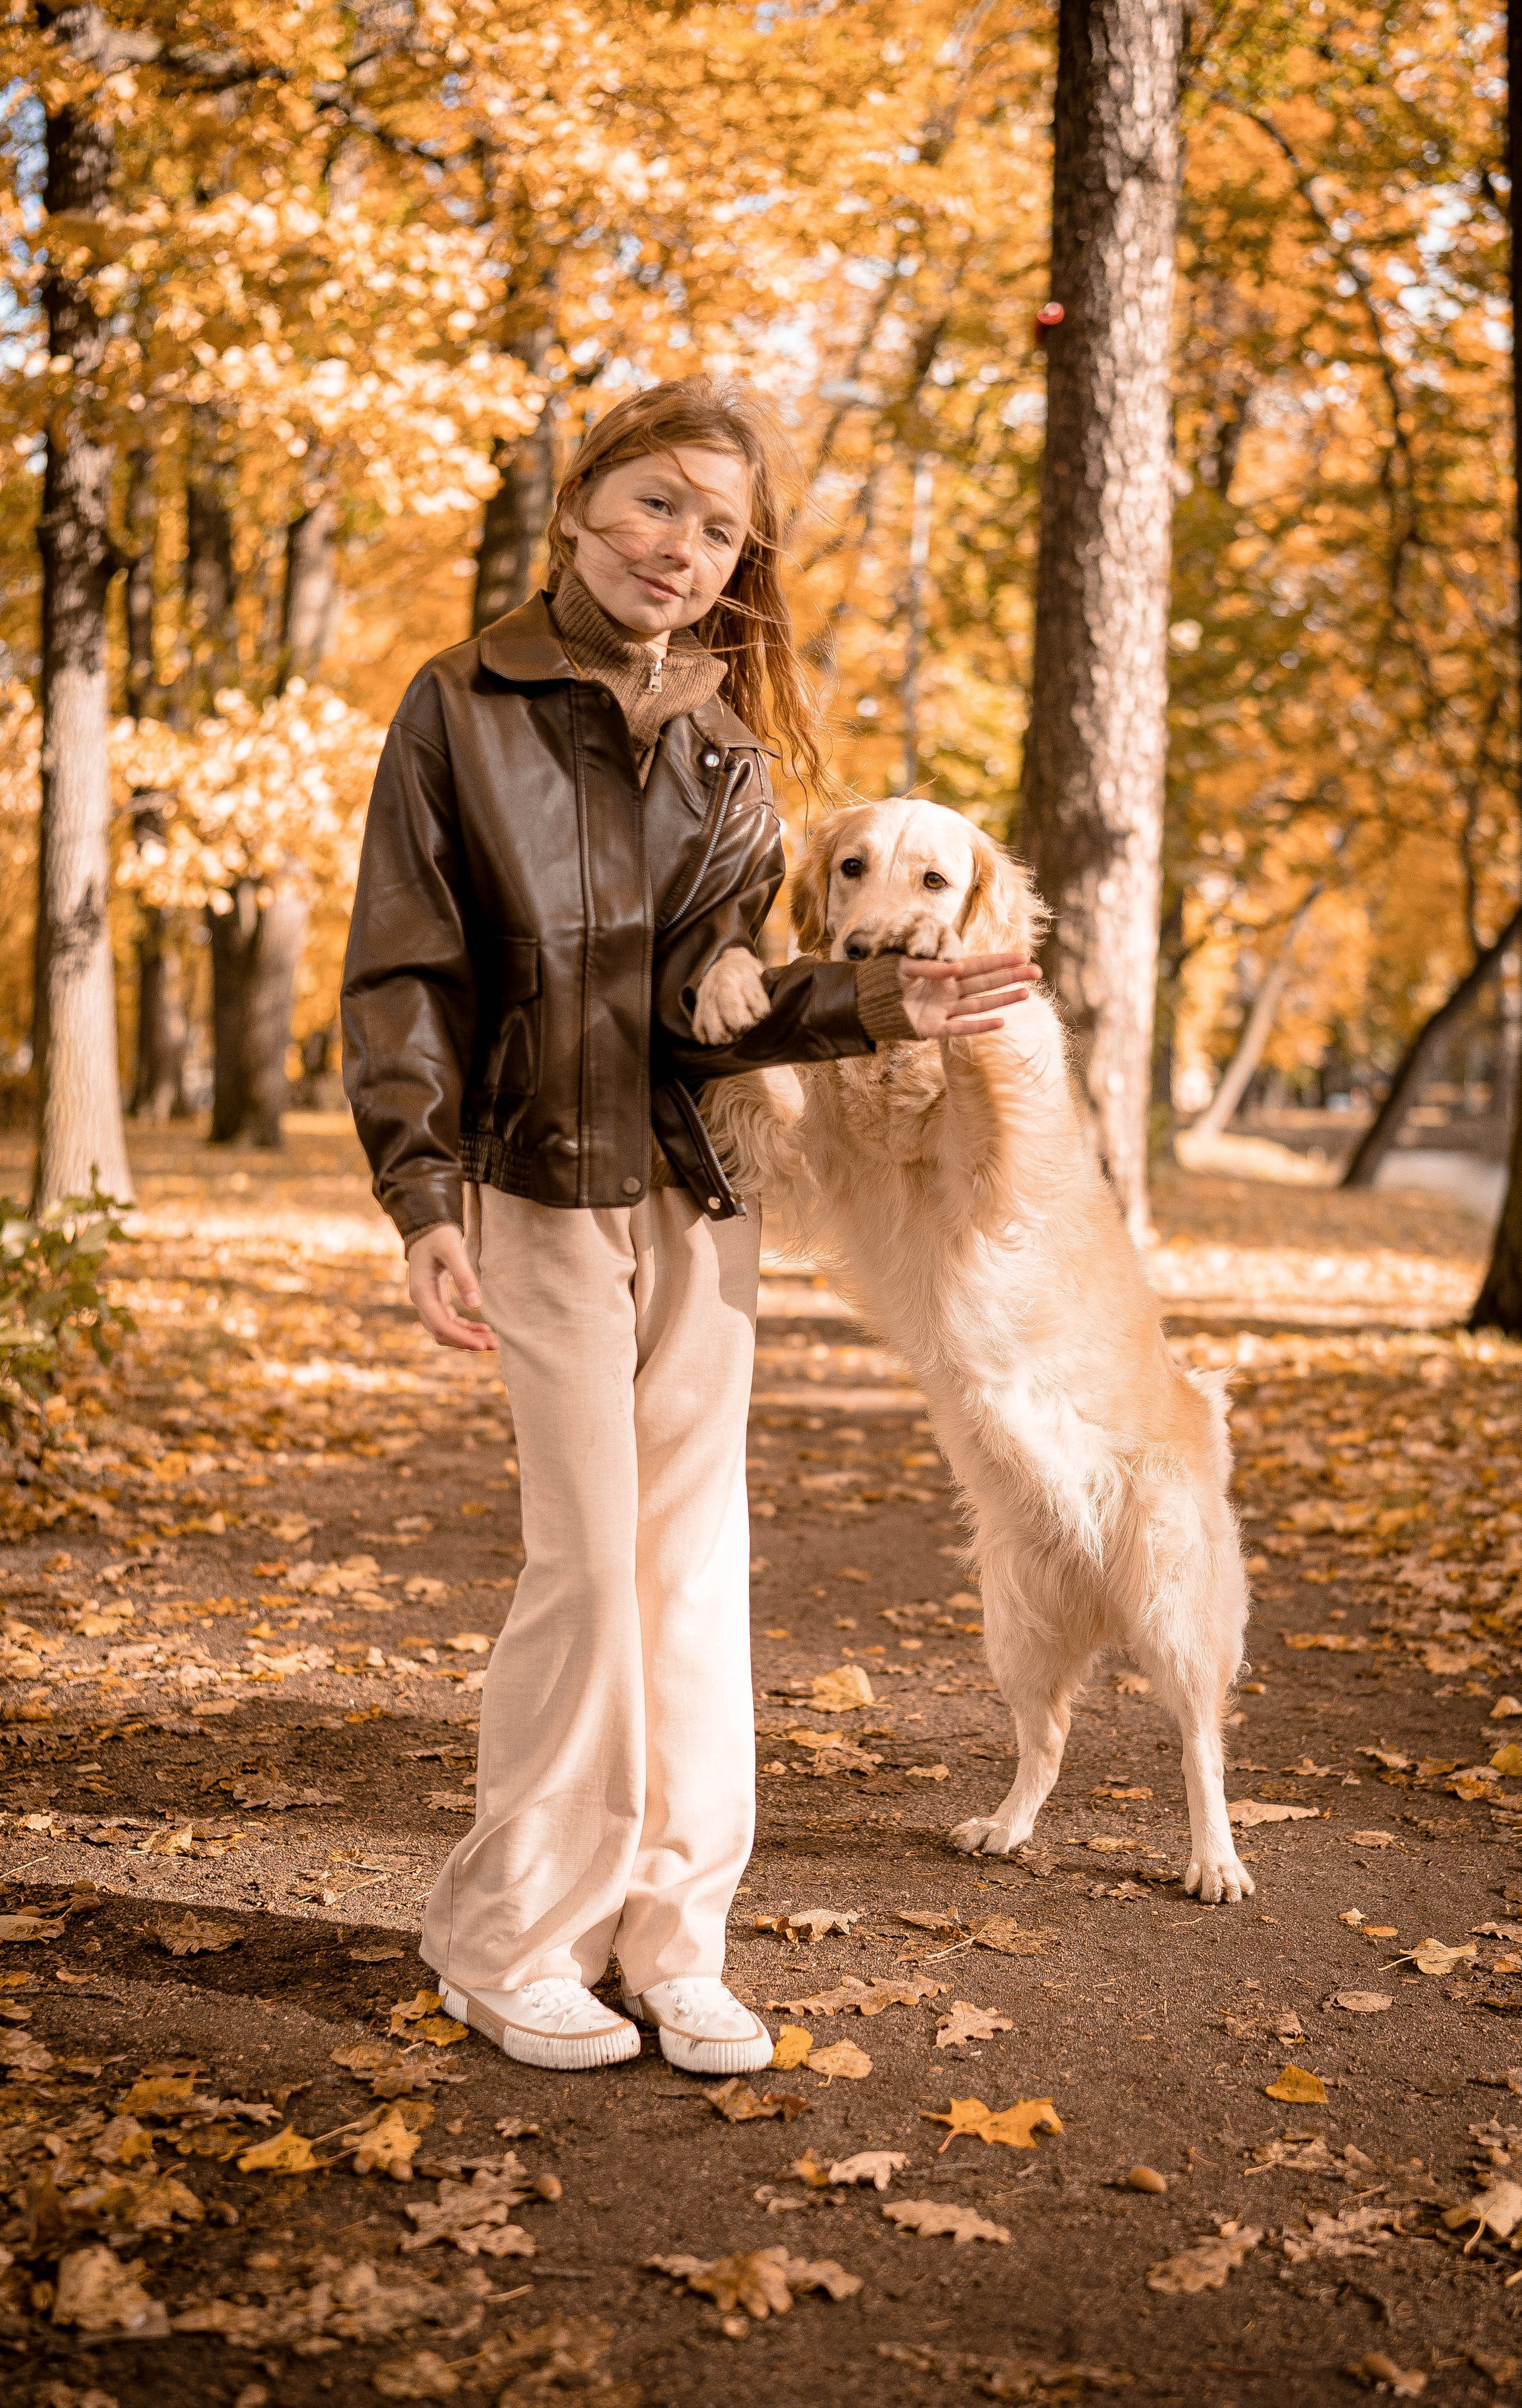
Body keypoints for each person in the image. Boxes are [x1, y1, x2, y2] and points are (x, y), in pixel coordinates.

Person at [341, 376, 1039, 2076]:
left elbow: (712, 1006)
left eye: (719, 528)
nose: (684, 546)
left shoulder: (733, 751)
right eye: (657, 504)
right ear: (582, 503)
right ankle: (511, 1936)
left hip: (698, 1200)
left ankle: (673, 1935)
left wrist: (879, 1004)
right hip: (531, 1188)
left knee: (692, 1573)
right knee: (587, 1567)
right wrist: (419, 1188)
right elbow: (405, 970)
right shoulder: (462, 704)